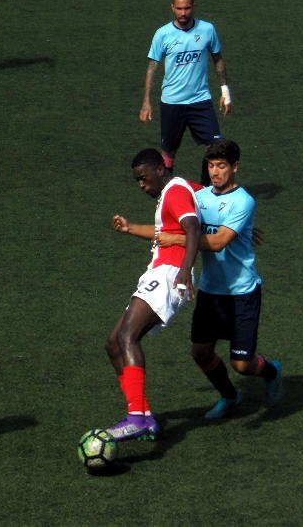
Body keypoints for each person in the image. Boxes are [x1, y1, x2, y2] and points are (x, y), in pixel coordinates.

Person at [158, 139, 284, 420]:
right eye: (211, 166)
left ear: (235, 167)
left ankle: (272, 371)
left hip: (241, 294)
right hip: (211, 292)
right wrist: (131, 228)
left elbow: (217, 243)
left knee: (242, 365)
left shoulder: (244, 201)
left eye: (222, 166)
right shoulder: (201, 197)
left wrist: (176, 239)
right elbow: (174, 206)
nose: (215, 172)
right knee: (200, 352)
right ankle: (230, 396)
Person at [106, 148, 202, 441]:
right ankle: (145, 417)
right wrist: (131, 228)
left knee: (127, 337)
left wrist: (185, 270)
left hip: (170, 273)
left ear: (160, 169)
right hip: (159, 272)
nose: (141, 185)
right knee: (113, 343)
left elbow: (193, 228)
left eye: (143, 178)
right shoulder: (177, 190)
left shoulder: (175, 192)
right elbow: (209, 196)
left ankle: (136, 418)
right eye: (137, 180)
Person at [139, 0, 231, 183]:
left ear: (194, 7)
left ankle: (206, 189)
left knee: (216, 146)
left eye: (187, 8)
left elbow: (218, 59)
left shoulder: (207, 30)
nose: (183, 13)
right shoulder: (163, 34)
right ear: (172, 8)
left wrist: (225, 91)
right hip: (172, 102)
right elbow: (152, 68)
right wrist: (146, 102)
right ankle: (166, 193)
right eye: (179, 9)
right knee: (169, 152)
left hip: (200, 100)